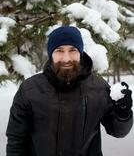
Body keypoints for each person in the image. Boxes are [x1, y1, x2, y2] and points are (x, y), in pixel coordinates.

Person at [6, 26, 133, 156]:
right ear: (51, 54)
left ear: (80, 52)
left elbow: (118, 131)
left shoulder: (99, 88)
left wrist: (123, 115)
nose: (66, 58)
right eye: (59, 50)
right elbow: (16, 141)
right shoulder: (30, 89)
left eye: (73, 50)